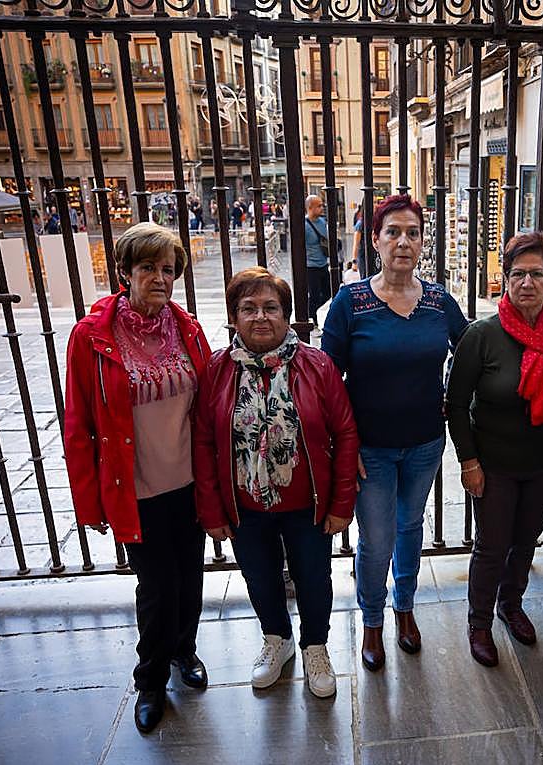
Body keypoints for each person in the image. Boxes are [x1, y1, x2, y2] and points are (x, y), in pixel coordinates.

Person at [63, 222, 213, 735]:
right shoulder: (92, 338)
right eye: (147, 268)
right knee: (156, 588)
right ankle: (149, 680)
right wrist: (90, 503)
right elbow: (78, 422)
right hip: (136, 489)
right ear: (125, 272)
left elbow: (207, 406)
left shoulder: (187, 328)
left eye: (167, 269)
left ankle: (184, 653)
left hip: (190, 482)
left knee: (191, 576)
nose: (159, 278)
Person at [194, 267, 358, 698]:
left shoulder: (317, 364)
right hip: (246, 506)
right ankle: (277, 640)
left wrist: (342, 502)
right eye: (248, 308)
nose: (260, 317)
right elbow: (204, 442)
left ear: (287, 315)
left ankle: (315, 646)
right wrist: (211, 510)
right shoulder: (216, 370)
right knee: (260, 578)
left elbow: (344, 433)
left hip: (308, 504)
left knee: (314, 578)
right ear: (234, 317)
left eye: (271, 308)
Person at [321, 193, 467, 671]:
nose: (403, 242)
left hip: (425, 443)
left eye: (412, 233)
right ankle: (372, 621)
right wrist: (343, 447)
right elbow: (329, 381)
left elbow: (470, 355)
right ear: (376, 241)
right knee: (377, 537)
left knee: (410, 528)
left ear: (422, 243)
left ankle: (405, 609)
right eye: (393, 233)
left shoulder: (440, 302)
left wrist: (450, 394)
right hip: (371, 449)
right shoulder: (352, 302)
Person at [446, 232, 543, 667]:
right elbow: (454, 403)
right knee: (492, 545)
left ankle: (511, 605)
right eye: (518, 273)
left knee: (526, 541)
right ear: (504, 278)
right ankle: (479, 622)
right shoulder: (481, 335)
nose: (527, 283)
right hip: (494, 464)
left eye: (537, 274)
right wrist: (469, 461)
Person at [304, 194, 333, 327]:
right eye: (319, 205)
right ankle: (312, 318)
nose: (322, 207)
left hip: (323, 264)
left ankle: (313, 311)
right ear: (310, 208)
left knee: (328, 292)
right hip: (311, 266)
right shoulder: (304, 226)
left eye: (322, 204)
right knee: (314, 295)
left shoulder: (322, 222)